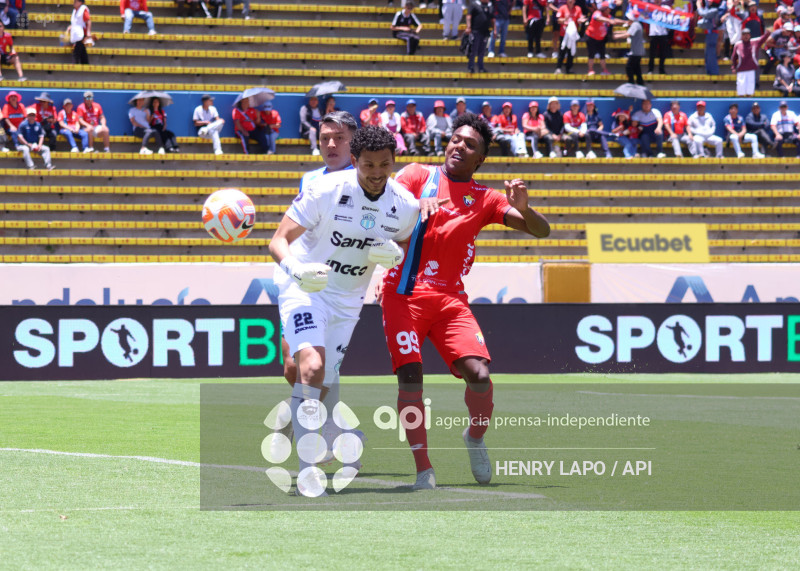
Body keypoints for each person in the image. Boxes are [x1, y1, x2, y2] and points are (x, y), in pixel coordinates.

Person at [378, 112, 550, 490]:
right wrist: (411, 210)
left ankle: (474, 437)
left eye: (470, 144)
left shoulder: (486, 198)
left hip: (450, 299)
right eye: (456, 139)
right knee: (411, 376)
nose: (460, 146)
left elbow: (542, 230)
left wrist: (523, 206)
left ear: (480, 159)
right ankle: (424, 469)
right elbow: (381, 209)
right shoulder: (417, 175)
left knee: (480, 375)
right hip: (403, 295)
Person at [268, 126, 422, 497]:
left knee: (314, 379)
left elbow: (401, 246)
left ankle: (293, 416)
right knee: (312, 368)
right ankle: (308, 469)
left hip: (348, 300)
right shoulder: (324, 190)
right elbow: (278, 241)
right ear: (354, 161)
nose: (376, 173)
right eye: (368, 164)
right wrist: (297, 270)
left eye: (385, 164)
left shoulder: (406, 205)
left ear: (393, 162)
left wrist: (395, 256)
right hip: (306, 287)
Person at [278, 111, 359, 403]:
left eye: (339, 138)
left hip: (341, 286)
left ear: (355, 143)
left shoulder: (367, 180)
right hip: (304, 279)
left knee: (317, 367)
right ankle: (309, 412)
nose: (331, 145)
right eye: (325, 138)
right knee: (291, 365)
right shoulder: (310, 179)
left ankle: (321, 423)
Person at [731, 27, 768, 96]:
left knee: (750, 90)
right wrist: (733, 67)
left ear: (750, 35)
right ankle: (741, 102)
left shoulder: (754, 42)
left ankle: (748, 101)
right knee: (740, 89)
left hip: (751, 69)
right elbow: (734, 57)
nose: (746, 36)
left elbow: (762, 39)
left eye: (747, 34)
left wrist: (768, 33)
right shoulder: (738, 44)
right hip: (741, 70)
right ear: (741, 36)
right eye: (744, 34)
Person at [585, 2, 619, 76]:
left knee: (602, 55)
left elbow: (615, 20)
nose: (610, 10)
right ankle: (590, 70)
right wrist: (608, 20)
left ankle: (604, 70)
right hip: (591, 37)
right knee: (591, 55)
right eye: (608, 8)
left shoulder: (608, 16)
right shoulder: (597, 13)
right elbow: (597, 18)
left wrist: (626, 22)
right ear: (604, 8)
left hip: (601, 38)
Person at [616, 9, 644, 85]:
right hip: (638, 51)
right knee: (637, 70)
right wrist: (617, 32)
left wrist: (617, 36)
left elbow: (628, 34)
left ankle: (631, 83)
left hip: (636, 52)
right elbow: (628, 32)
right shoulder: (637, 24)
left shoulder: (635, 25)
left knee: (629, 67)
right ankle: (640, 84)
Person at [555, 0, 583, 74]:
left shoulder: (578, 9)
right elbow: (558, 20)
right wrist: (565, 19)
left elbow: (579, 18)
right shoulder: (562, 8)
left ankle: (569, 68)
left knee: (571, 52)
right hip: (564, 33)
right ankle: (558, 68)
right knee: (562, 51)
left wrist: (580, 21)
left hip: (573, 34)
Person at [465, 0, 493, 73]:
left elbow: (492, 18)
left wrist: (494, 29)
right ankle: (471, 67)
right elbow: (468, 16)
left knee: (482, 51)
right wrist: (468, 27)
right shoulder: (474, 5)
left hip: (485, 32)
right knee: (473, 50)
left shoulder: (489, 6)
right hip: (475, 31)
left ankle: (481, 67)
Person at [696, 0, 722, 76]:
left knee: (711, 54)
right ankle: (710, 72)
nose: (708, 2)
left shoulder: (714, 10)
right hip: (710, 34)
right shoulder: (711, 9)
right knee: (707, 54)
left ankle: (714, 73)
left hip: (712, 34)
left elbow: (703, 13)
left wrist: (699, 6)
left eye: (710, 1)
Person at [647, 0, 670, 75]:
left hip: (663, 33)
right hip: (653, 34)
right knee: (652, 54)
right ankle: (650, 70)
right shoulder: (650, 8)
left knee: (663, 54)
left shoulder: (666, 8)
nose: (657, 1)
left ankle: (662, 70)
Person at [67, 0, 92, 65]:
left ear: (80, 2)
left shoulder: (83, 9)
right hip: (76, 34)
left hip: (81, 34)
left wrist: (88, 31)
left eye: (76, 1)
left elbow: (88, 21)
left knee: (76, 52)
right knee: (83, 53)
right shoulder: (75, 11)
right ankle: (86, 65)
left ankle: (74, 65)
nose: (74, 2)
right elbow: (76, 22)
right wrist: (71, 27)